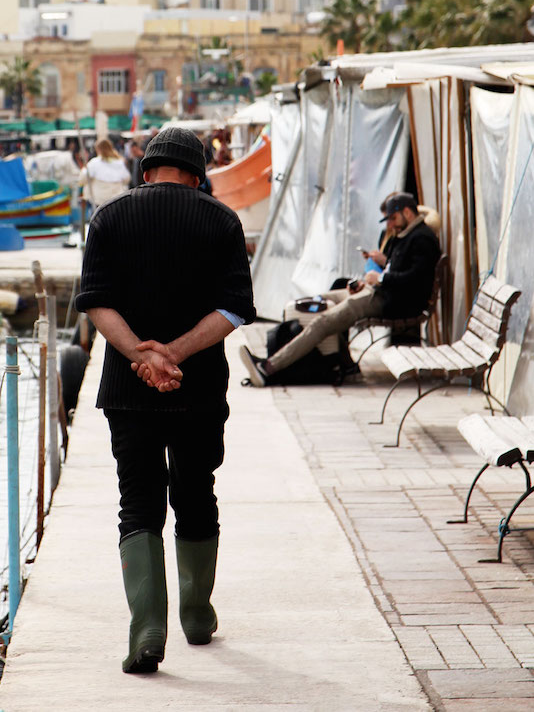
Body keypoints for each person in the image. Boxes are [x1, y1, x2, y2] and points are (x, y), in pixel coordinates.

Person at [75, 127, 255, 675]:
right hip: (198, 385)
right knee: (197, 490)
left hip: (128, 390)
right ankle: (197, 615)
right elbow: (234, 311)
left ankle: (147, 628)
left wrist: (141, 355)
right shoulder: (222, 220)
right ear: (198, 176)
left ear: (145, 170)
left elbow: (95, 302)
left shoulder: (109, 217)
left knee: (139, 500)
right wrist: (174, 353)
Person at [240, 191, 440, 387]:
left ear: (407, 213)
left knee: (323, 321)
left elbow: (415, 280)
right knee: (317, 302)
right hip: (378, 291)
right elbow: (398, 270)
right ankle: (342, 363)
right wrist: (369, 282)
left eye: (393, 218)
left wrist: (380, 278)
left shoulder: (422, 238)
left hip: (391, 301)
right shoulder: (406, 234)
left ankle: (269, 367)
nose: (390, 224)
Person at [79, 138, 130, 210]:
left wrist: (84, 168)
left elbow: (83, 178)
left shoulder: (94, 163)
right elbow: (126, 179)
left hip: (100, 200)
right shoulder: (119, 161)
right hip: (117, 199)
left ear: (98, 149)